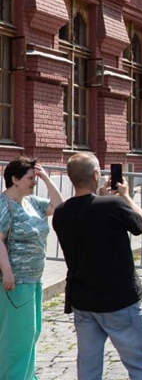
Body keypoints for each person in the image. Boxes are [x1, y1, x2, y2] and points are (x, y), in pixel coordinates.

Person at [52, 153, 142, 380]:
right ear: (96, 175)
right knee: (141, 368)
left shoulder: (61, 213)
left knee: (88, 372)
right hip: (119, 300)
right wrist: (126, 196)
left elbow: (88, 217)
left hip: (84, 301)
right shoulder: (113, 204)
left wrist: (101, 198)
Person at [0, 157, 64, 380]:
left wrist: (46, 178)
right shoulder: (4, 204)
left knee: (32, 334)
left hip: (34, 279)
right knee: (18, 338)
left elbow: (59, 205)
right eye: (30, 178)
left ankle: (27, 377)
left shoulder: (32, 202)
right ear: (15, 179)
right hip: (16, 282)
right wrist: (7, 271)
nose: (33, 183)